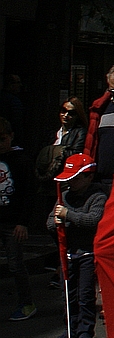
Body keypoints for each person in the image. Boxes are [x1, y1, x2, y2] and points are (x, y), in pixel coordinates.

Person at [47, 154, 105, 338]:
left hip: (88, 253)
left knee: (86, 295)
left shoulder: (98, 197)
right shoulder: (63, 196)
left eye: (77, 177)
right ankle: (70, 329)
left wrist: (68, 215)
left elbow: (93, 221)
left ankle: (85, 332)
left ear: (89, 177)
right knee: (68, 295)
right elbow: (50, 221)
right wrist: (56, 223)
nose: (72, 182)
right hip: (68, 253)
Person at [1, 117, 38, 321]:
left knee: (15, 264)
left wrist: (23, 222)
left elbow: (28, 193)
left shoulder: (21, 160)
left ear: (11, 137)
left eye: (2, 139)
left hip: (12, 221)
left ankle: (27, 302)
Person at [35, 98, 86, 185]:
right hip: (47, 177)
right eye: (63, 110)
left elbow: (76, 153)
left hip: (66, 177)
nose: (66, 115)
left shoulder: (80, 132)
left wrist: (57, 152)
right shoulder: (52, 131)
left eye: (71, 113)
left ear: (77, 115)